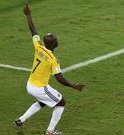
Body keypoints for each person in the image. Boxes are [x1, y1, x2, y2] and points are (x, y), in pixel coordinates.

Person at [15, 4, 85, 135]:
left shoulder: (39, 46)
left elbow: (33, 31)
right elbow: (59, 78)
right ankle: (50, 131)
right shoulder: (53, 59)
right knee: (61, 102)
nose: (57, 40)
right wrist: (74, 86)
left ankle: (20, 120)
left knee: (42, 102)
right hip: (39, 87)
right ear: (53, 44)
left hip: (30, 84)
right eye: (55, 39)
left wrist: (28, 14)